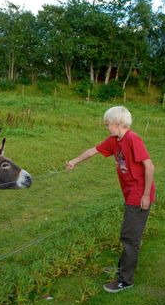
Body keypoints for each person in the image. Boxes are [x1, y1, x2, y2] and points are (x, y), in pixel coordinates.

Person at [66, 105, 155, 293]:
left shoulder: (132, 139)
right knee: (127, 234)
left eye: (108, 124)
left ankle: (125, 280)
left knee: (130, 238)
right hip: (130, 194)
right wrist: (74, 161)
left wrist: (146, 195)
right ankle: (123, 269)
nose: (106, 127)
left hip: (139, 196)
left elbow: (150, 167)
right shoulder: (115, 140)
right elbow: (93, 151)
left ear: (117, 123)